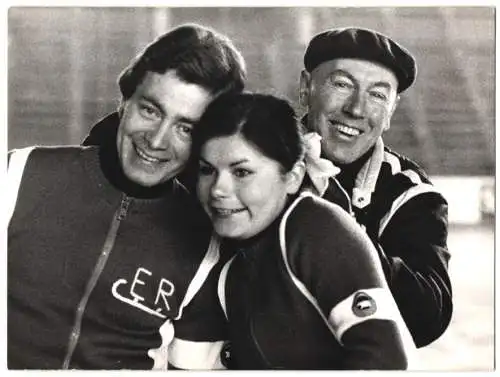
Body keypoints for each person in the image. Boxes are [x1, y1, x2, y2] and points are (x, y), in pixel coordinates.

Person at [7, 23, 246, 370]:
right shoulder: (16, 175)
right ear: (124, 101)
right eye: (150, 110)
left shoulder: (207, 246)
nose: (157, 140)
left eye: (186, 128)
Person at [191, 92, 416, 370]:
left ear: (293, 178)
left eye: (241, 172)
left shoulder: (314, 228)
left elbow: (388, 361)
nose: (217, 190)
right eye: (206, 170)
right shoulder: (226, 256)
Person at [298, 26, 452, 347]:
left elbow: (430, 315)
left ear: (391, 111)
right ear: (305, 88)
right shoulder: (250, 157)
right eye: (342, 84)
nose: (356, 109)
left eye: (378, 94)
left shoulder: (410, 193)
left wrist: (340, 228)